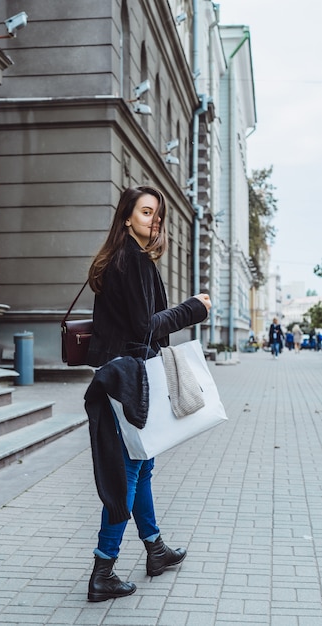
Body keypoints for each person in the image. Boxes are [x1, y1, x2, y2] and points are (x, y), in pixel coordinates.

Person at [84, 185, 211, 602]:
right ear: (127, 218)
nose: (153, 221)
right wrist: (193, 308)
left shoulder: (124, 260)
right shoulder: (131, 261)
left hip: (126, 375)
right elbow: (144, 328)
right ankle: (104, 570)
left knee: (142, 466)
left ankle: (155, 549)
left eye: (157, 215)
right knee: (129, 474)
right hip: (130, 379)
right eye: (145, 213)